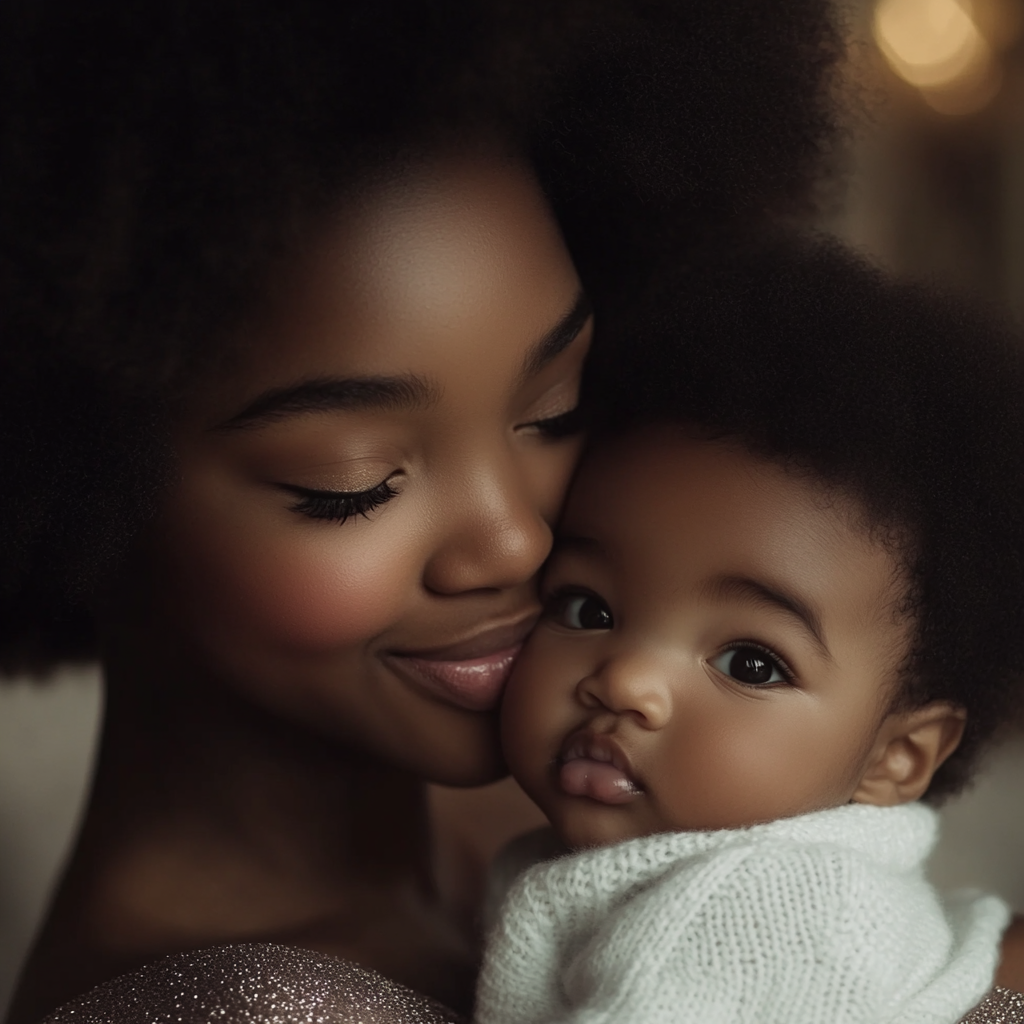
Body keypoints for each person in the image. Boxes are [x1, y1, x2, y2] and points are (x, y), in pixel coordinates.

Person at [0, 0, 848, 1020]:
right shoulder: (239, 1004)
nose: (515, 536)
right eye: (351, 481)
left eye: (554, 408)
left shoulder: (571, 798)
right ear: (69, 480)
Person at [476, 237, 1024, 1024]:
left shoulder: (764, 912)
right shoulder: (623, 863)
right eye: (587, 610)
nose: (626, 680)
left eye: (750, 664)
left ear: (895, 758)